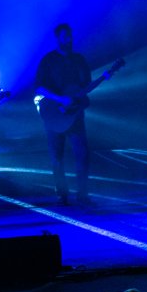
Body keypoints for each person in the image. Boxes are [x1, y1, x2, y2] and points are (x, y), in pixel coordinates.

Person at [35, 22, 95, 206]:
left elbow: (85, 86)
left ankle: (83, 195)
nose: (68, 39)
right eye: (64, 36)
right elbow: (39, 88)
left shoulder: (79, 60)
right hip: (53, 115)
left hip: (74, 116)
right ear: (58, 39)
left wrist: (82, 99)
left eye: (70, 36)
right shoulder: (48, 60)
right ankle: (62, 195)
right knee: (57, 157)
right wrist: (61, 99)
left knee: (82, 155)